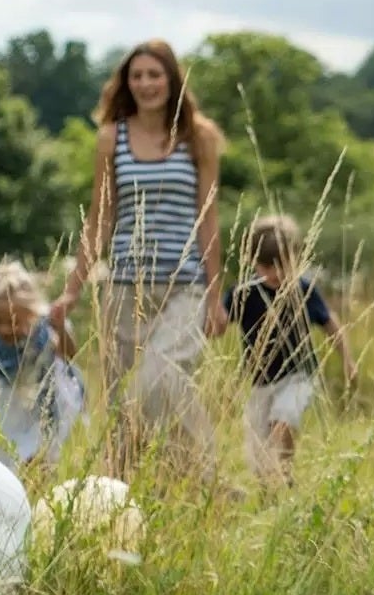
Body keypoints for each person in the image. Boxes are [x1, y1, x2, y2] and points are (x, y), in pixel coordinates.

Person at [50, 41, 225, 478]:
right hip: (125, 287)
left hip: (185, 286)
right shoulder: (112, 138)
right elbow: (101, 217)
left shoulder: (198, 137)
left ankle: (209, 478)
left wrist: (216, 295)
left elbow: (209, 218)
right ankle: (128, 494)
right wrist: (72, 290)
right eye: (137, 76)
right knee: (125, 404)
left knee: (160, 380)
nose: (146, 84)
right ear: (126, 84)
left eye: (155, 74)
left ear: (172, 79)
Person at [228, 214, 354, 483]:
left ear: (295, 259)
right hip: (259, 383)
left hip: (298, 376)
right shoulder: (244, 293)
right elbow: (217, 322)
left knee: (281, 421)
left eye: (283, 265)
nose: (276, 274)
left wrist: (348, 360)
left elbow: (331, 325)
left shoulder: (303, 290)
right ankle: (272, 487)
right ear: (252, 262)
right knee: (258, 453)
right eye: (266, 266)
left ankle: (284, 474)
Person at [0, 261, 86, 469]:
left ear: (32, 312)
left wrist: (61, 328)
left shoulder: (44, 330)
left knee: (41, 456)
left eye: (13, 321)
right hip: (12, 406)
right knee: (9, 457)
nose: (4, 328)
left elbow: (69, 354)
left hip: (48, 402)